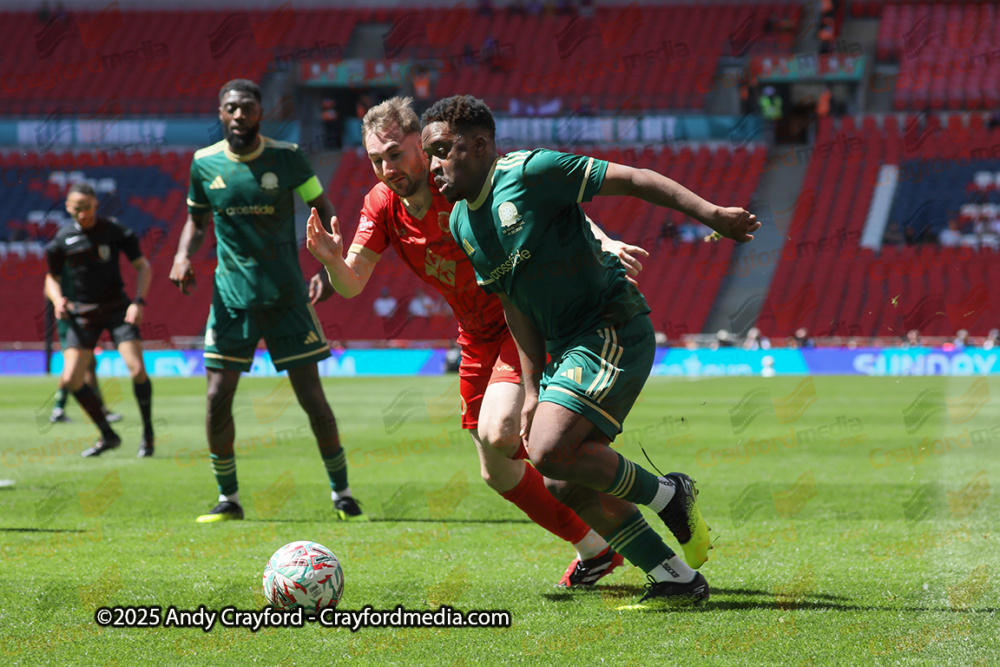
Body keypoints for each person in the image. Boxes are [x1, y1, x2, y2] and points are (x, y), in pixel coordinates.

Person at [421, 95, 759, 607]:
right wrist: (532, 390)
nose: (433, 165)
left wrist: (712, 215)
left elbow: (635, 177)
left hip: (610, 327)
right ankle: (674, 578)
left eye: (442, 149)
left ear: (481, 144)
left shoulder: (534, 171)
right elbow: (516, 306)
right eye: (429, 154)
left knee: (548, 451)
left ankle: (671, 495)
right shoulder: (460, 224)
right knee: (560, 481)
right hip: (564, 348)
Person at [307, 96, 654, 586]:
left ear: (422, 147)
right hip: (474, 334)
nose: (387, 168)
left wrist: (603, 240)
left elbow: (537, 200)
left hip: (521, 319)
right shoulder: (380, 205)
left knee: (506, 433)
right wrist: (329, 260)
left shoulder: (457, 179)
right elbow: (352, 283)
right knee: (498, 471)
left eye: (395, 153)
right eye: (375, 159)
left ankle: (639, 502)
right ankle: (594, 547)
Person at [169, 79, 364, 524]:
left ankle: (343, 493)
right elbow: (196, 221)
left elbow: (326, 209)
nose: (240, 115)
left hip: (287, 297)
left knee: (312, 399)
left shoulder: (288, 157)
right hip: (231, 299)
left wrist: (331, 266)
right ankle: (228, 499)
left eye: (248, 108)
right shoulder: (204, 163)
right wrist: (182, 255)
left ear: (261, 112)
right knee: (217, 396)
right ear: (221, 113)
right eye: (232, 108)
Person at [44, 183, 155, 457]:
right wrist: (58, 299)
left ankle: (148, 434)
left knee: (137, 370)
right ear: (69, 208)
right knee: (71, 379)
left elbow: (143, 266)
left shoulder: (114, 231)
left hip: (117, 309)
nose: (85, 214)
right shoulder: (61, 240)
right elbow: (51, 279)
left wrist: (138, 302)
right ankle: (108, 435)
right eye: (79, 208)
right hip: (82, 314)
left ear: (96, 205)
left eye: (89, 207)